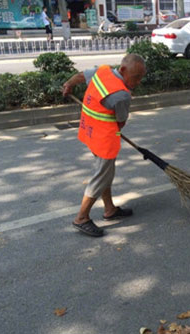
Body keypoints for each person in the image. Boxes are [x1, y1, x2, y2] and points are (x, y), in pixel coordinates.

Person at [62, 54, 146, 237]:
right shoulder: (122, 95)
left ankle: (109, 209)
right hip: (104, 140)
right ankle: (81, 218)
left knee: (106, 174)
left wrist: (69, 85)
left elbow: (80, 76)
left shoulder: (102, 71)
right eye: (136, 77)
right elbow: (120, 122)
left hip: (89, 132)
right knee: (101, 176)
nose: (138, 81)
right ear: (123, 70)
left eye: (141, 77)